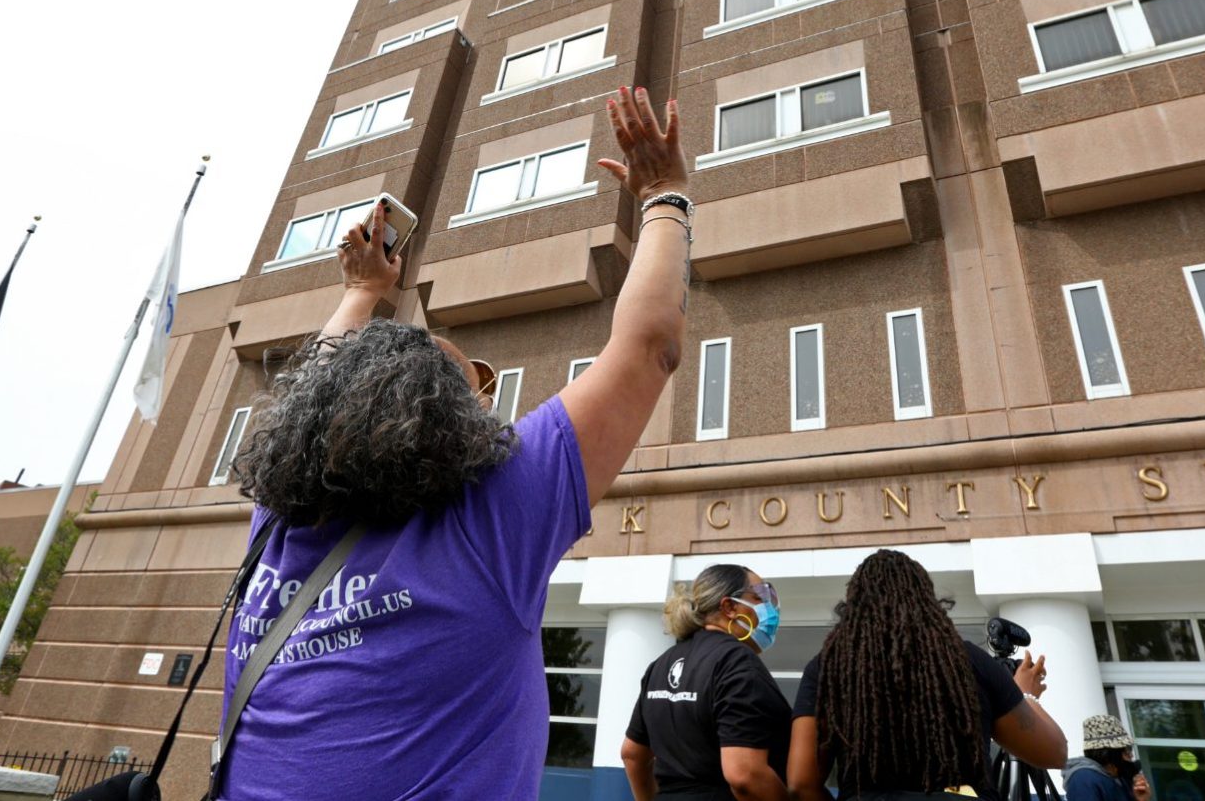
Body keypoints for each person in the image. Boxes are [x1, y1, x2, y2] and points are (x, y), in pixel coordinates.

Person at [215, 87, 693, 800]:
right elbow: (648, 344)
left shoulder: (277, 529)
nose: (491, 396)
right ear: (449, 422)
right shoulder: (493, 514)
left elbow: (313, 395)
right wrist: (664, 196)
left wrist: (362, 292)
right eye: (477, 381)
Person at [786, 549, 1067, 800]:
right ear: (926, 600)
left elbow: (800, 783)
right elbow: (1053, 752)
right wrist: (1025, 693)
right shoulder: (968, 660)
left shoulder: (829, 666)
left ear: (854, 605)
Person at [622, 564, 792, 801]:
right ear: (729, 607)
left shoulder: (661, 663)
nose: (770, 608)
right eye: (761, 596)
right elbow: (744, 775)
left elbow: (632, 755)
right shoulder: (737, 662)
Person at [1062, 715, 1147, 800]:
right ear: (1108, 753)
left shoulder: (1118, 777)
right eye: (1126, 750)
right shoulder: (1084, 780)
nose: (1131, 755)